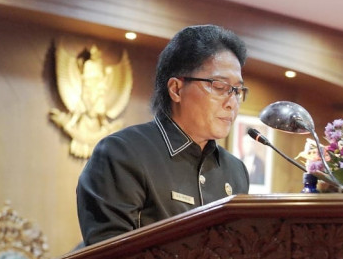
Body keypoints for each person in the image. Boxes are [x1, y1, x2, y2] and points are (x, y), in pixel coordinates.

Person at [76, 24, 251, 246]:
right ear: (176, 89)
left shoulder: (235, 171)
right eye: (220, 87)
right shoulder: (123, 153)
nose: (232, 103)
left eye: (237, 91)